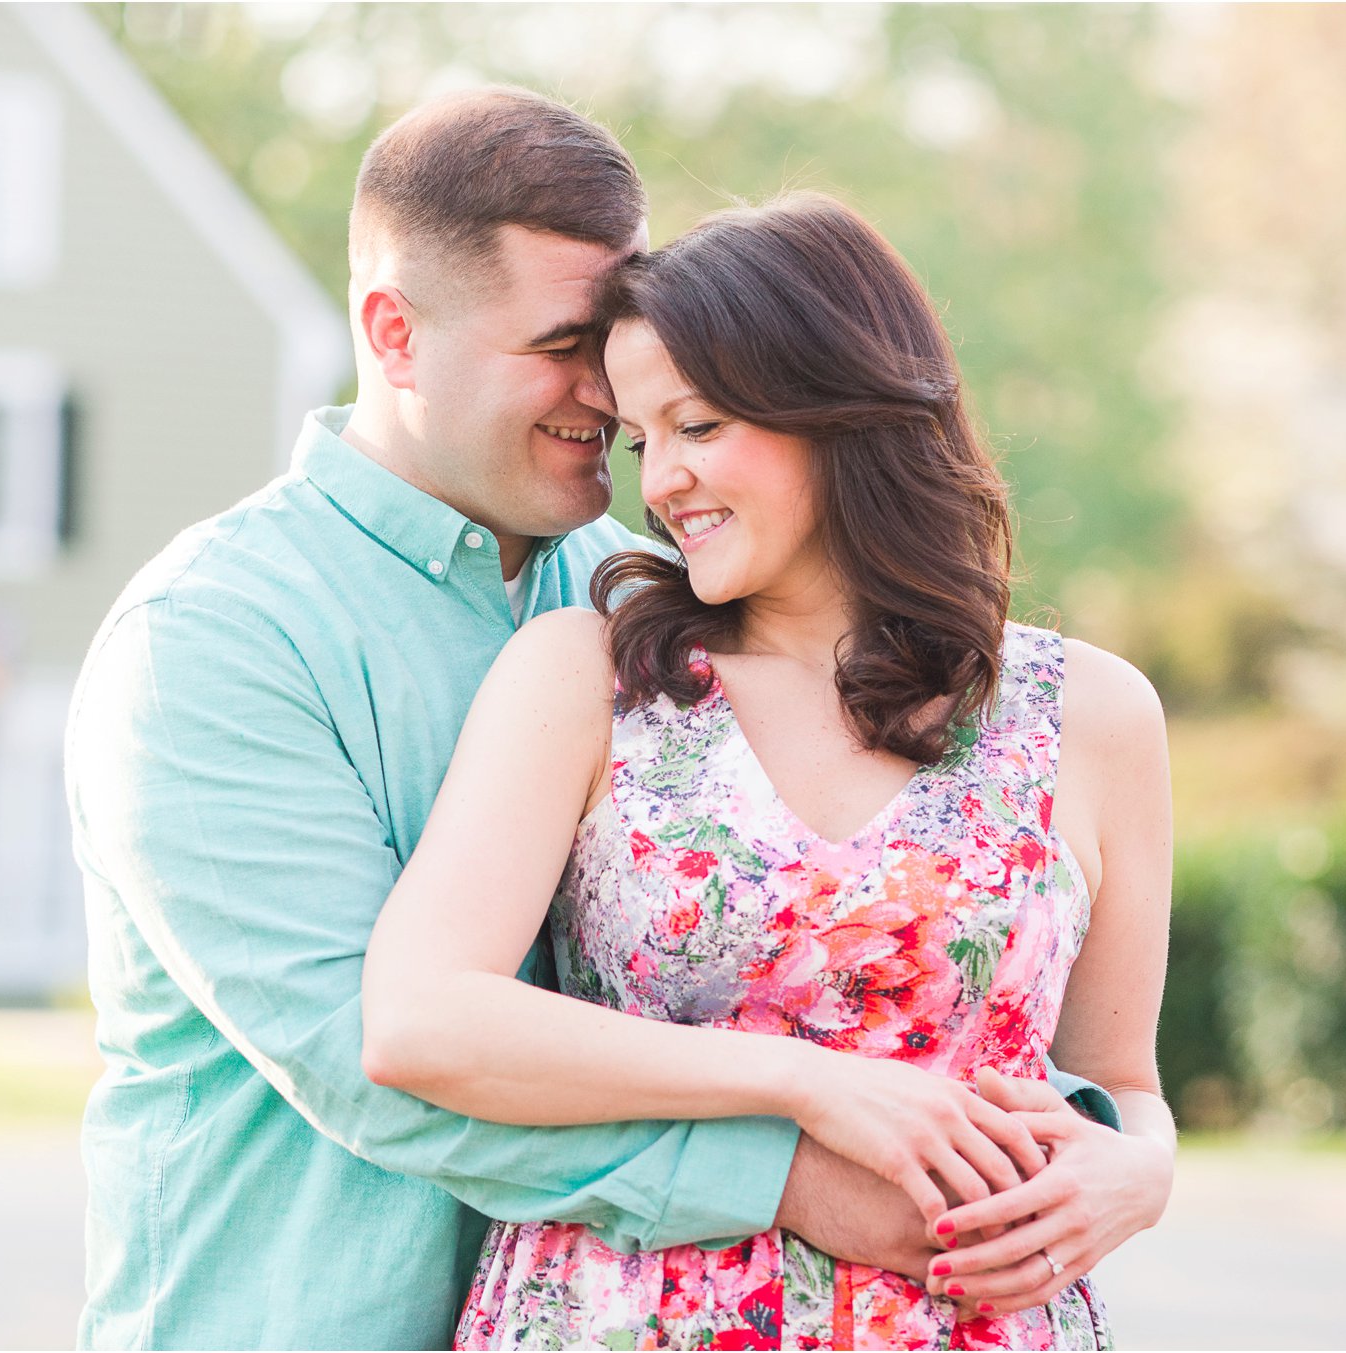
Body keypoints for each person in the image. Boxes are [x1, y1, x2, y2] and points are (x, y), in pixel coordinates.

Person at [70, 87, 1162, 1351]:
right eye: (562, 344)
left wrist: (1137, 1157)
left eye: (653, 382)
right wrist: (800, 1176)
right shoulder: (213, 640)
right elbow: (370, 1068)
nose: (607, 396)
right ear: (395, 332)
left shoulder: (646, 602)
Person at [362, 193, 1177, 1349]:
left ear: (834, 408)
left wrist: (1141, 1172)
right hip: (625, 1318)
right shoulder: (587, 679)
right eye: (643, 442)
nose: (660, 487)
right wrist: (804, 1084)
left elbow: (1117, 1081)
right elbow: (418, 1019)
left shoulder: (1089, 715)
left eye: (695, 427)